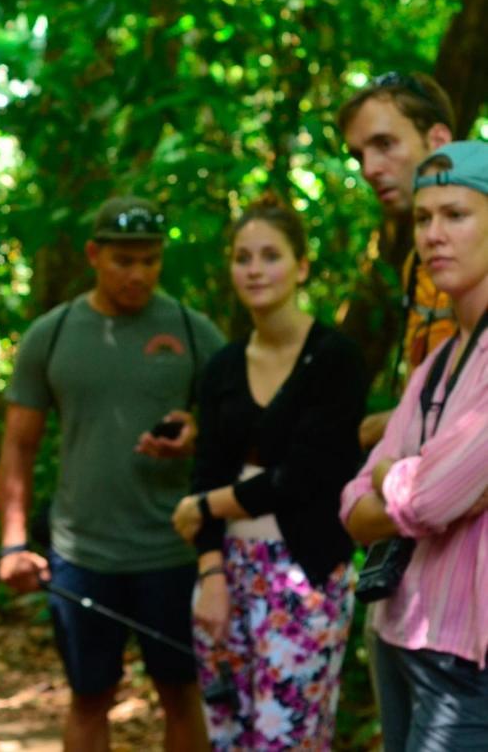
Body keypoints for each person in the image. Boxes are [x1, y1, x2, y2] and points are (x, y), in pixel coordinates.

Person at [0, 196, 225, 752]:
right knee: (89, 695)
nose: (139, 273)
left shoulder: (194, 333)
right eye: (124, 260)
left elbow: (237, 435)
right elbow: (19, 446)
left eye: (150, 260)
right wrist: (13, 542)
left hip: (171, 552)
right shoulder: (52, 335)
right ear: (94, 255)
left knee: (180, 692)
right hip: (82, 554)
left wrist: (198, 434)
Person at [172, 195, 367, 751]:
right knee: (229, 735)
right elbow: (205, 469)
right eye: (242, 257)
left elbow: (305, 476)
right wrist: (210, 574)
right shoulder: (223, 367)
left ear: (301, 266)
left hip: (306, 576)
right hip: (226, 573)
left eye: (270, 255)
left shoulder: (335, 358)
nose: (255, 269)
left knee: (289, 738)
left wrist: (205, 508)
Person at [341, 140, 488, 752]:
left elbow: (426, 500)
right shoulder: (441, 361)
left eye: (456, 215)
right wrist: (404, 479)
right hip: (397, 630)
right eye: (424, 218)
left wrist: (397, 478)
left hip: (467, 657)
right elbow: (352, 507)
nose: (433, 235)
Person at [337, 72, 455, 448]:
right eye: (359, 155)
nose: (369, 169)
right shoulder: (417, 264)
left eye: (385, 144)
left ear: (438, 141)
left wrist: (396, 424)